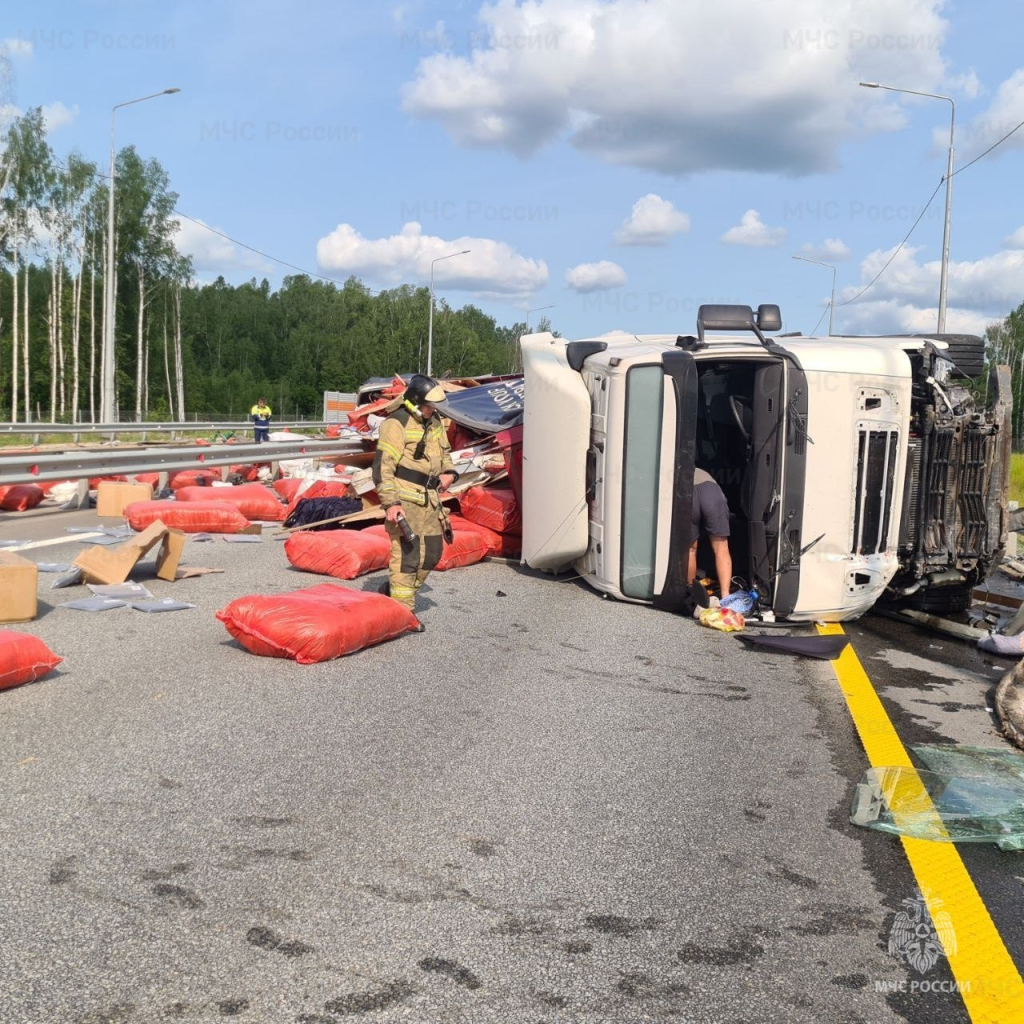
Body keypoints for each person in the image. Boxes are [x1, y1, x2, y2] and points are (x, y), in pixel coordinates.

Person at [372, 375, 458, 628]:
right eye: (431, 405)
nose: (434, 410)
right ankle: (402, 615)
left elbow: (445, 455)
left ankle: (395, 591)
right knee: (407, 557)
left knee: (432, 554)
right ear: (416, 402)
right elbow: (382, 467)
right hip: (404, 500)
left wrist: (450, 474)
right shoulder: (396, 422)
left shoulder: (435, 421)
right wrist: (391, 504)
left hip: (430, 501)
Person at [689, 467, 733, 598]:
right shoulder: (703, 473)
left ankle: (692, 594)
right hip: (711, 493)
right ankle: (726, 596)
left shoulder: (672, 469)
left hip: (688, 492)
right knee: (721, 548)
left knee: (690, 550)